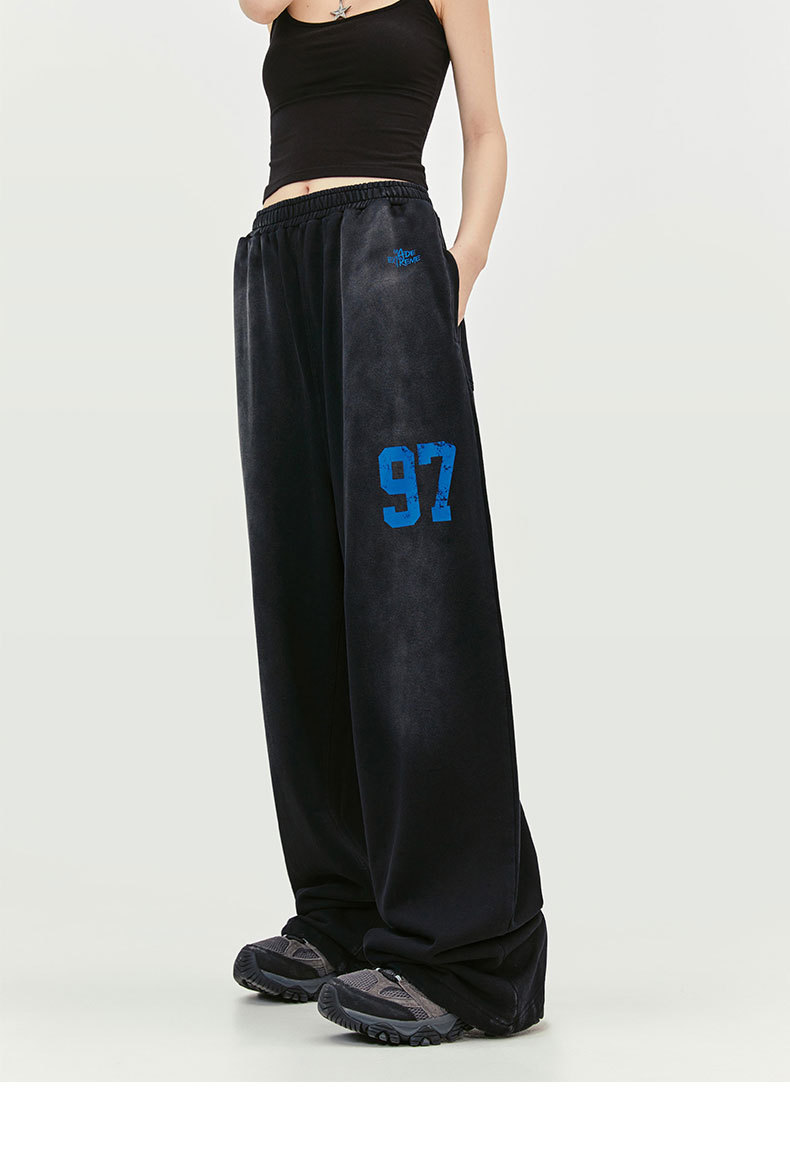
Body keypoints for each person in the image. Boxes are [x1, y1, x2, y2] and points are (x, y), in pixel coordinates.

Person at [232, 0, 547, 1046]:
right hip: (279, 258)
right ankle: (344, 911)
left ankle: (463, 949)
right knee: (301, 588)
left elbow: (485, 128)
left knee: (415, 598)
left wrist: (465, 258)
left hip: (389, 255)